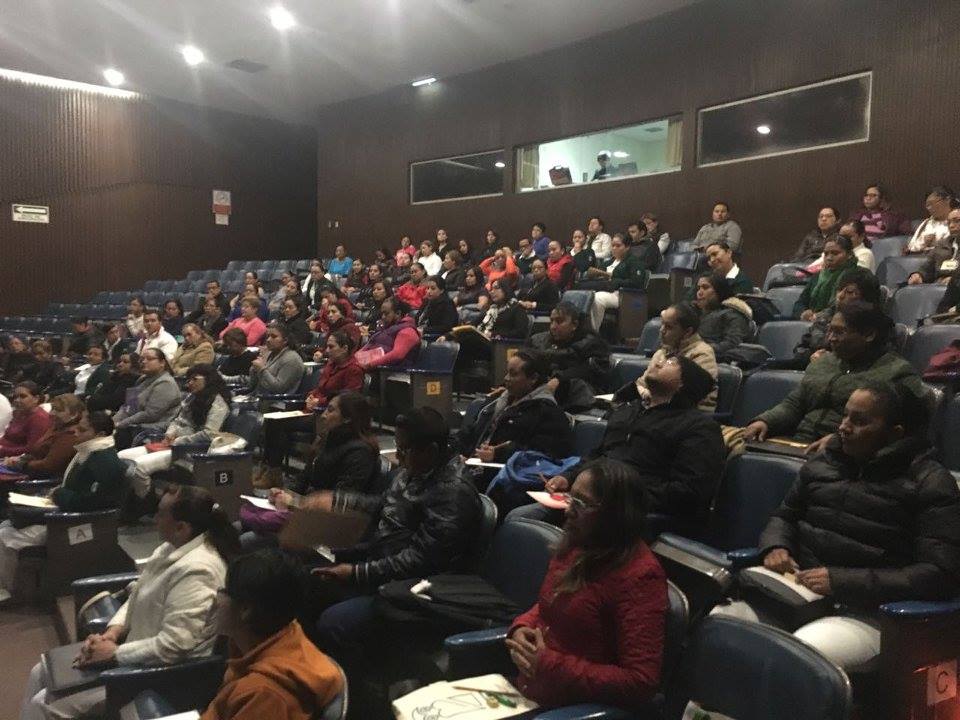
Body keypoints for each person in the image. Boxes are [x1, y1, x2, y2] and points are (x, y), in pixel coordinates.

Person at [715, 383, 960, 672]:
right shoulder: (825, 461)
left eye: (859, 421)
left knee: (797, 658)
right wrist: (776, 545)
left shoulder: (930, 482)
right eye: (845, 416)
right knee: (719, 623)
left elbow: (938, 574)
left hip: (871, 613)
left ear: (895, 433)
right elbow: (785, 515)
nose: (843, 427)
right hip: (799, 592)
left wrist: (840, 581)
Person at [21, 485, 239, 720]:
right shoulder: (169, 549)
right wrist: (112, 633)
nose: (154, 519)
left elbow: (175, 644)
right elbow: (138, 594)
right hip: (132, 653)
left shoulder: (198, 571)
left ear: (181, 527)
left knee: (41, 704)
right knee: (39, 671)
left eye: (160, 514)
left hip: (158, 677)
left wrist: (115, 653)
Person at [312, 408, 481, 669]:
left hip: (415, 591)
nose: (398, 457)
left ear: (431, 451)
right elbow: (382, 505)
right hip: (381, 564)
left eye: (403, 450)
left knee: (333, 622)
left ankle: (360, 685)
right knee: (305, 581)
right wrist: (336, 501)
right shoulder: (414, 471)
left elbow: (420, 561)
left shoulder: (453, 494)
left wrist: (356, 572)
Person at [506, 459, 667, 711]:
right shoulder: (577, 544)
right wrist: (522, 626)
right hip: (531, 693)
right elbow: (551, 603)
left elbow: (640, 682)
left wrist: (549, 664)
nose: (568, 510)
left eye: (581, 504)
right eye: (570, 498)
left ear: (615, 514)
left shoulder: (640, 576)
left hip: (572, 710)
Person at [525, 355, 723, 523]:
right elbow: (598, 455)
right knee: (521, 511)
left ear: (683, 383)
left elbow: (689, 492)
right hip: (589, 501)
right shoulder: (629, 411)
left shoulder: (698, 427)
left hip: (631, 516)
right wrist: (569, 477)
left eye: (670, 363)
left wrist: (617, 496)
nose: (658, 363)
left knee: (527, 521)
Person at [743, 301, 926, 446]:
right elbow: (795, 403)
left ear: (869, 335)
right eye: (830, 331)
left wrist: (839, 442)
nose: (830, 338)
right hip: (799, 442)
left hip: (850, 454)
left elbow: (899, 431)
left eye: (839, 332)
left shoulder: (897, 373)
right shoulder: (824, 362)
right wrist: (766, 422)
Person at [201, 549, 343, 720]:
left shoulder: (264, 694)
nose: (217, 598)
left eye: (225, 591)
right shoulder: (286, 633)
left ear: (246, 609)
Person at [0, 412, 125, 604]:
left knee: (5, 534)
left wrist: (59, 494)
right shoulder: (90, 452)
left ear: (100, 434)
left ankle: (7, 592)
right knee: (5, 526)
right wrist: (58, 494)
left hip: (71, 523)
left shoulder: (105, 461)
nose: (76, 432)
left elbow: (93, 503)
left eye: (82, 430)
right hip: (61, 512)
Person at [260, 333, 365, 487]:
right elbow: (320, 388)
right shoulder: (331, 365)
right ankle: (268, 469)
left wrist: (319, 402)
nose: (327, 350)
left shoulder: (354, 370)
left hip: (331, 416)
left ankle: (274, 473)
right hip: (314, 410)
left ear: (344, 348)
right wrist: (311, 396)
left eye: (331, 347)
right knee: (273, 420)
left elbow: (348, 399)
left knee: (279, 424)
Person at [119, 364, 233, 497]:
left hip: (189, 451)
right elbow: (178, 420)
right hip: (172, 444)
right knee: (122, 457)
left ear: (209, 379)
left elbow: (209, 434)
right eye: (189, 379)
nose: (190, 383)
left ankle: (146, 501)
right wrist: (169, 433)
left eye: (194, 379)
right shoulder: (192, 398)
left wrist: (180, 440)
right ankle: (132, 498)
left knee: (138, 467)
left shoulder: (218, 404)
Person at [455, 350, 573, 464]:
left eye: (513, 374)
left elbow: (547, 452)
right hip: (471, 464)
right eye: (507, 373)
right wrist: (458, 452)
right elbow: (471, 433)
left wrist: (499, 454)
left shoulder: (548, 412)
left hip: (503, 471)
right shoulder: (497, 400)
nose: (506, 378)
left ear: (533, 378)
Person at [528, 302, 610, 410]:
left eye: (559, 321)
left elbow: (588, 370)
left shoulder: (593, 344)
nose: (553, 327)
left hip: (580, 399)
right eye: (551, 321)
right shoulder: (539, 340)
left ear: (574, 325)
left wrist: (559, 378)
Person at [793, 269, 882, 367]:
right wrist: (810, 356)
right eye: (839, 289)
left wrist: (832, 359)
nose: (840, 296)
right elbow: (801, 349)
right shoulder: (824, 317)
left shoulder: (875, 325)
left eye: (849, 292)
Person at [638, 303, 718, 412]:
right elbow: (641, 384)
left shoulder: (703, 354)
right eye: (662, 324)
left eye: (669, 327)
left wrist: (647, 395)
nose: (661, 330)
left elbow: (691, 398)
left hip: (686, 416)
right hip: (654, 411)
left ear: (688, 332)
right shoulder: (661, 353)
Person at [2, 393, 82, 478]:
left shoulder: (70, 436)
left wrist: (20, 463)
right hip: (28, 470)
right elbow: (35, 451)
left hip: (41, 479)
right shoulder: (55, 428)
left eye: (58, 410)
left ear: (74, 414)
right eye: (52, 409)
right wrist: (20, 459)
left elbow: (48, 465)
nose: (52, 413)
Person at [113, 348, 181, 448]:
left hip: (152, 430)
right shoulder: (142, 379)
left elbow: (150, 415)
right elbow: (128, 406)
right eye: (142, 359)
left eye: (149, 359)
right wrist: (113, 421)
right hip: (131, 425)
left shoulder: (166, 383)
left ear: (162, 363)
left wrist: (121, 424)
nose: (144, 362)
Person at [581, 233, 649, 330]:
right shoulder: (608, 262)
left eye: (618, 246)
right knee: (583, 295)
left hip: (621, 294)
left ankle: (592, 331)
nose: (614, 248)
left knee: (597, 298)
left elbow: (637, 282)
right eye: (612, 245)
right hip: (602, 288)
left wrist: (615, 280)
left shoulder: (634, 262)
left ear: (627, 247)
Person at [795, 236, 860, 321]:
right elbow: (800, 302)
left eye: (835, 253)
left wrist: (818, 317)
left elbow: (847, 306)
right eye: (826, 254)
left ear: (849, 254)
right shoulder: (818, 276)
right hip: (810, 322)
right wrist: (803, 313)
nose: (829, 258)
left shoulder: (857, 276)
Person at [694, 273, 754, 359]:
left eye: (705, 287)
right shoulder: (696, 312)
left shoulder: (734, 314)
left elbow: (732, 345)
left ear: (719, 290)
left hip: (715, 361)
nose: (699, 292)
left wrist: (699, 349)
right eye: (698, 288)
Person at [358, 297, 420, 370]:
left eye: (386, 313)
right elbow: (369, 344)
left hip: (390, 372)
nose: (383, 317)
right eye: (382, 313)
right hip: (372, 368)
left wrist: (369, 365)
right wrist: (356, 358)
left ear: (398, 313)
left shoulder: (407, 331)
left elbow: (397, 355)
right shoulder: (385, 328)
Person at [907, 206, 960, 286]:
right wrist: (919, 275)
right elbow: (927, 268)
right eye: (949, 222)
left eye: (957, 221)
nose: (951, 225)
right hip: (938, 285)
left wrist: (954, 280)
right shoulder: (941, 245)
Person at [248, 325, 306, 397]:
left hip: (275, 401)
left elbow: (278, 389)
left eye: (274, 337)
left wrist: (261, 369)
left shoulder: (291, 359)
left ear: (285, 340)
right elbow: (252, 385)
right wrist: (254, 369)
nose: (268, 340)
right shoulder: (271, 354)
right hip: (258, 397)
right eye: (267, 336)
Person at [0, 382, 51, 458]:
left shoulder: (40, 418)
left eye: (22, 396)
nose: (17, 400)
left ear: (36, 398)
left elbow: (31, 449)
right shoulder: (20, 412)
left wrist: (3, 450)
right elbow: (6, 437)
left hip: (12, 459)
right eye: (15, 397)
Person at [906, 185, 956, 254]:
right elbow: (911, 247)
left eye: (932, 204)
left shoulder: (957, 221)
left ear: (947, 200)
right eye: (927, 205)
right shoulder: (926, 223)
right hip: (925, 257)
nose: (929, 208)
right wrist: (923, 241)